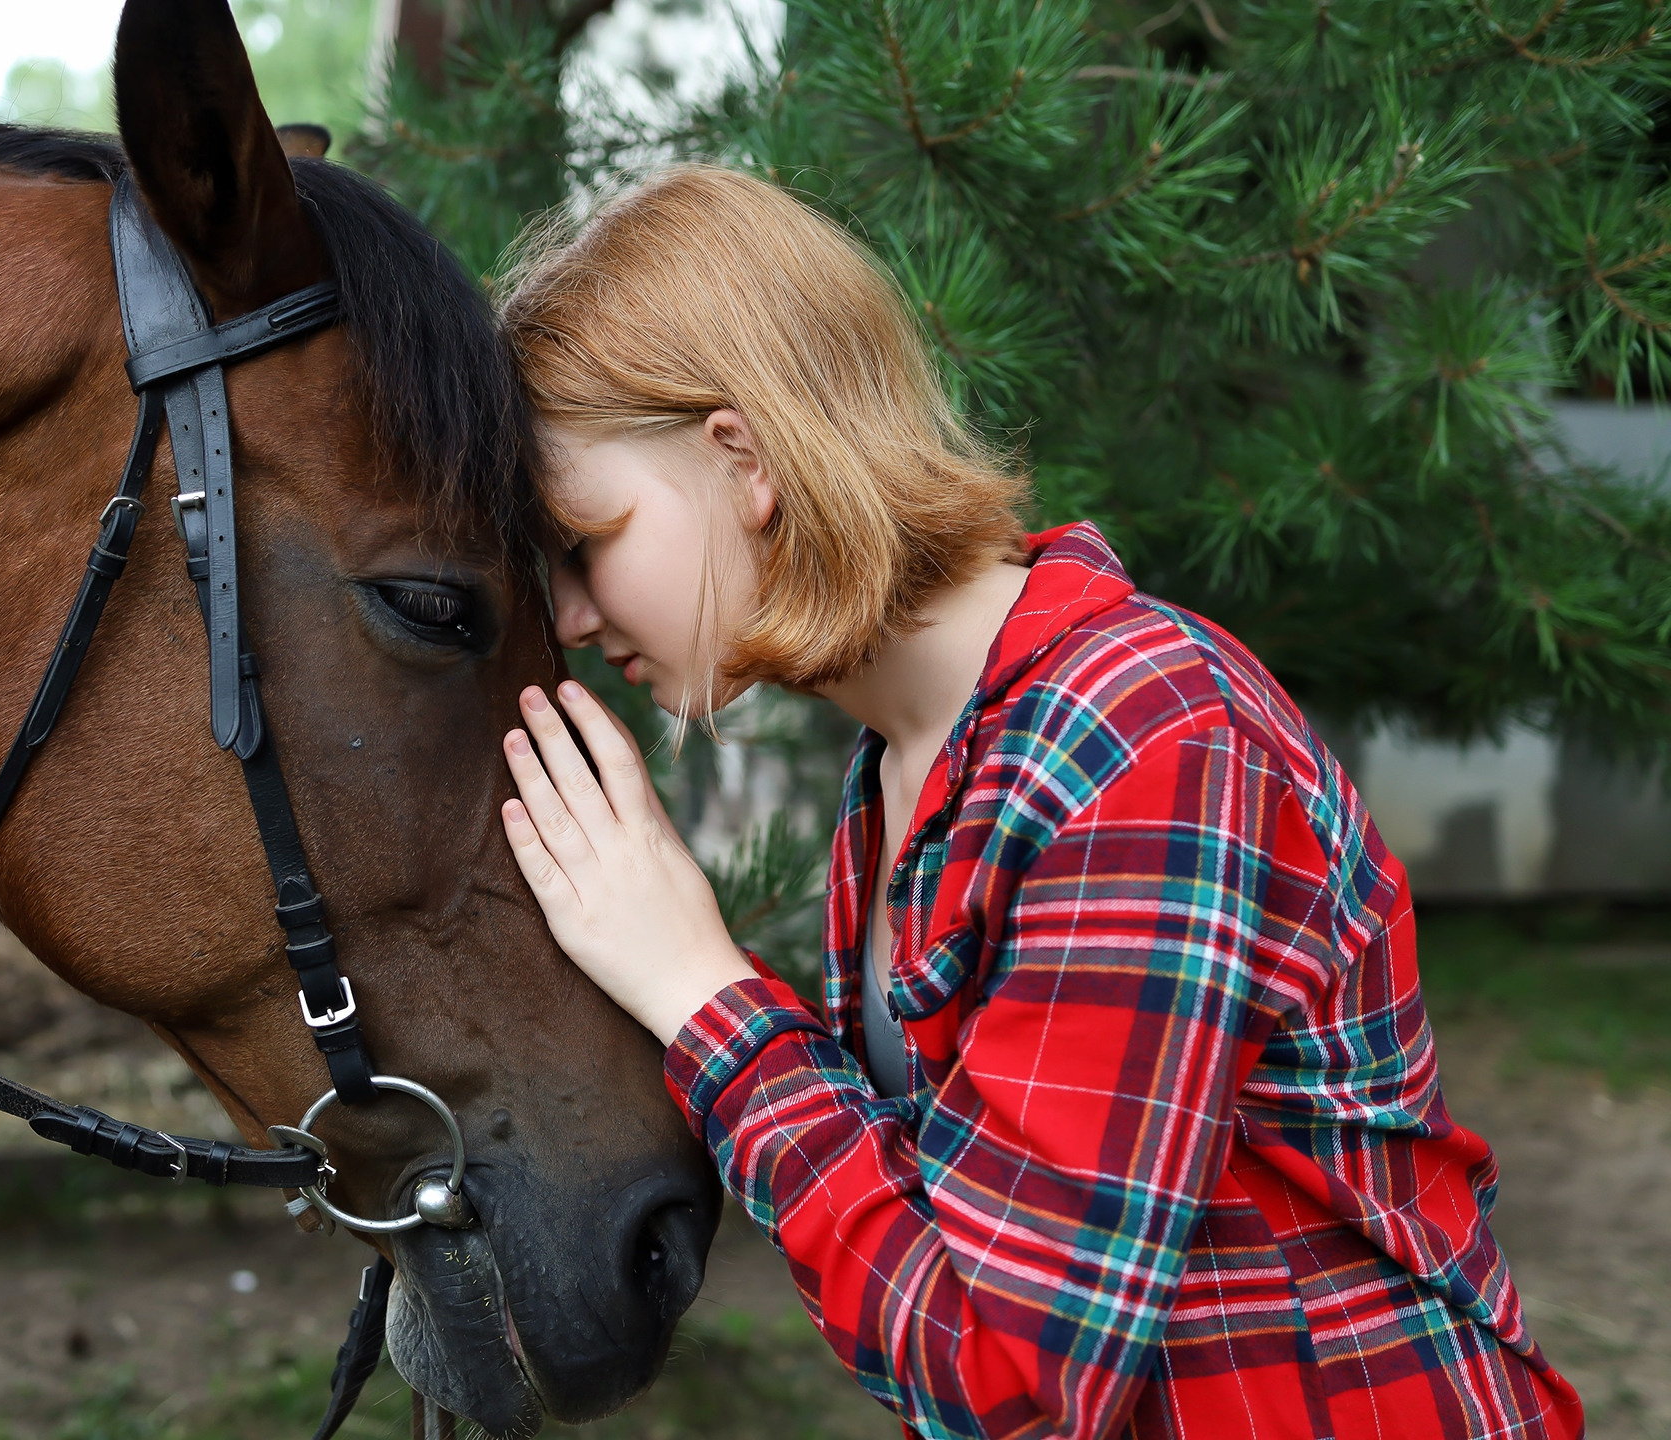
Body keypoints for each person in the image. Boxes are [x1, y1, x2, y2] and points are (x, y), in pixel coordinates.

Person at [489, 164, 1584, 1440]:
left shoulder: (1146, 735)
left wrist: (703, 995)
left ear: (742, 459)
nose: (568, 615)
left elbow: (1012, 1378)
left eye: (587, 541)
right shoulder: (906, 771)